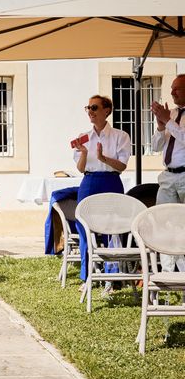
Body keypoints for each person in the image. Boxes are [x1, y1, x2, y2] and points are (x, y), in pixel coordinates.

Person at [73, 95, 131, 284]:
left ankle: (112, 277)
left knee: (112, 227)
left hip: (111, 181)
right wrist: (83, 153)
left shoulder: (120, 136)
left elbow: (122, 166)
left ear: (106, 111)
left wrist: (103, 158)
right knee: (84, 228)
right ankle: (87, 276)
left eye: (94, 107)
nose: (90, 111)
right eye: (88, 107)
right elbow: (81, 168)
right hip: (89, 181)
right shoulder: (84, 137)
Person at [150, 74, 185, 272]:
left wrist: (168, 121)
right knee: (164, 223)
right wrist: (161, 125)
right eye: (171, 88)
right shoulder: (170, 114)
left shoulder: (172, 117)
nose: (172, 92)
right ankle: (168, 271)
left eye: (177, 88)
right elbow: (156, 146)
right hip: (168, 176)